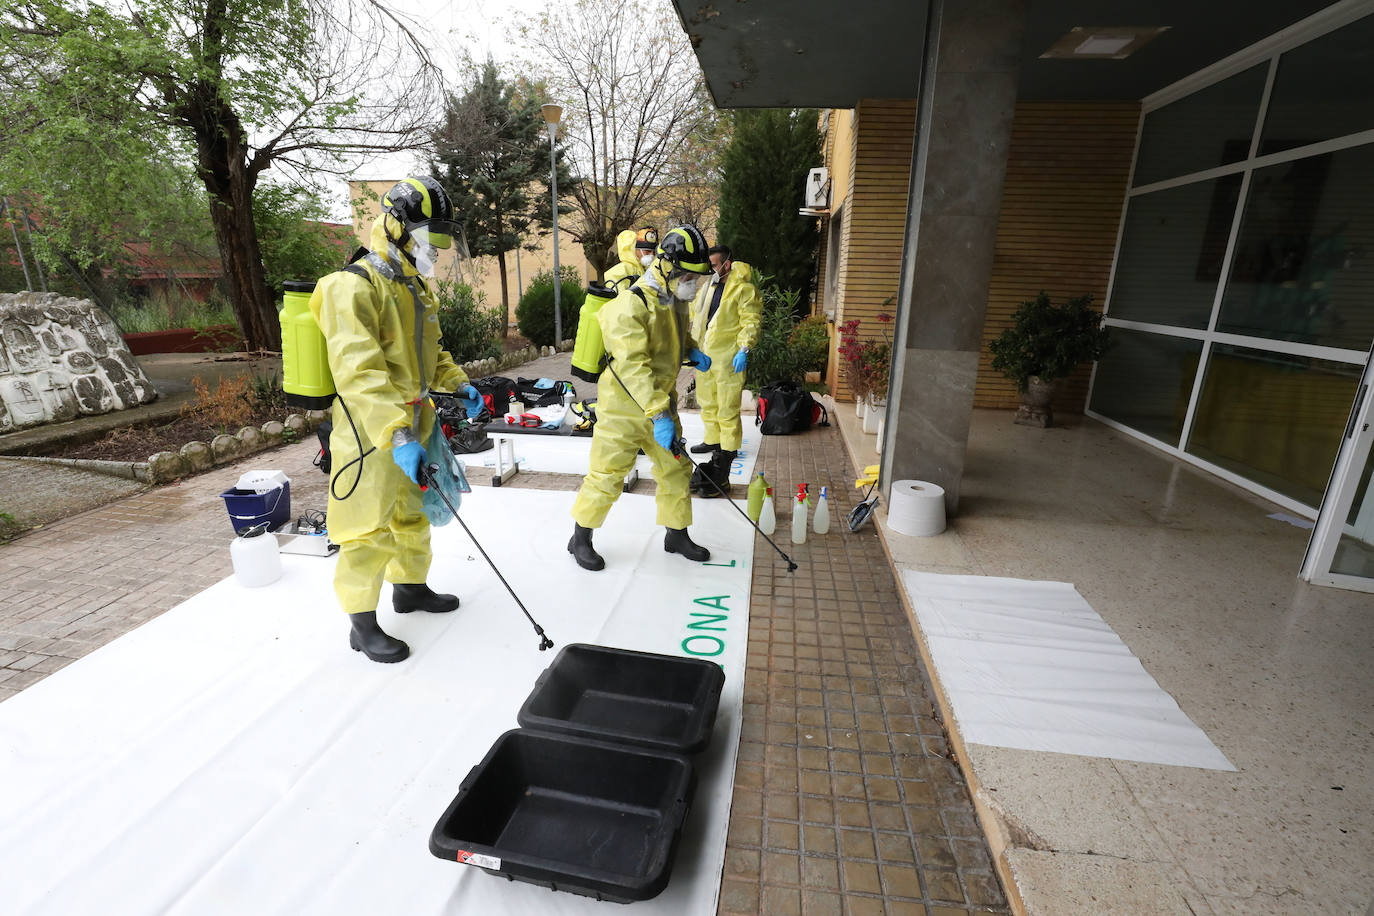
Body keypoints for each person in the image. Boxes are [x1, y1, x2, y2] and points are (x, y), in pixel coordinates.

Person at [310, 176, 482, 663]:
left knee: (412, 511)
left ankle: (410, 588)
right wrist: (396, 432)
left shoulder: (411, 285)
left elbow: (432, 353)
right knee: (367, 526)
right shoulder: (351, 287)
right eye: (431, 236)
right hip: (372, 428)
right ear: (396, 226)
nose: (436, 249)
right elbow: (359, 372)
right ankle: (361, 624)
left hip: (416, 417)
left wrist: (460, 383)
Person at [568, 225, 714, 571]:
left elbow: (675, 339)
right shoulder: (629, 305)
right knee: (607, 475)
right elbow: (632, 366)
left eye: (696, 277)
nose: (692, 283)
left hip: (660, 402)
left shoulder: (674, 301)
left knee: (676, 470)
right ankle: (580, 538)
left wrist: (692, 351)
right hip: (623, 407)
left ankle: (676, 534)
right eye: (688, 275)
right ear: (666, 267)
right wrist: (659, 414)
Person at [688, 244, 761, 496]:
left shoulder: (743, 290)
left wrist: (744, 349)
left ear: (727, 264)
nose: (712, 269)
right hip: (705, 356)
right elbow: (695, 314)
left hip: (729, 357)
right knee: (707, 401)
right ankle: (713, 440)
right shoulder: (709, 286)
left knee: (727, 407)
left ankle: (726, 454)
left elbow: (750, 321)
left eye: (715, 265)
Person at [603, 227, 659, 292]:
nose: (651, 255)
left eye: (654, 252)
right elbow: (621, 299)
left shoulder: (645, 271)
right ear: (634, 250)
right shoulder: (619, 271)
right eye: (647, 251)